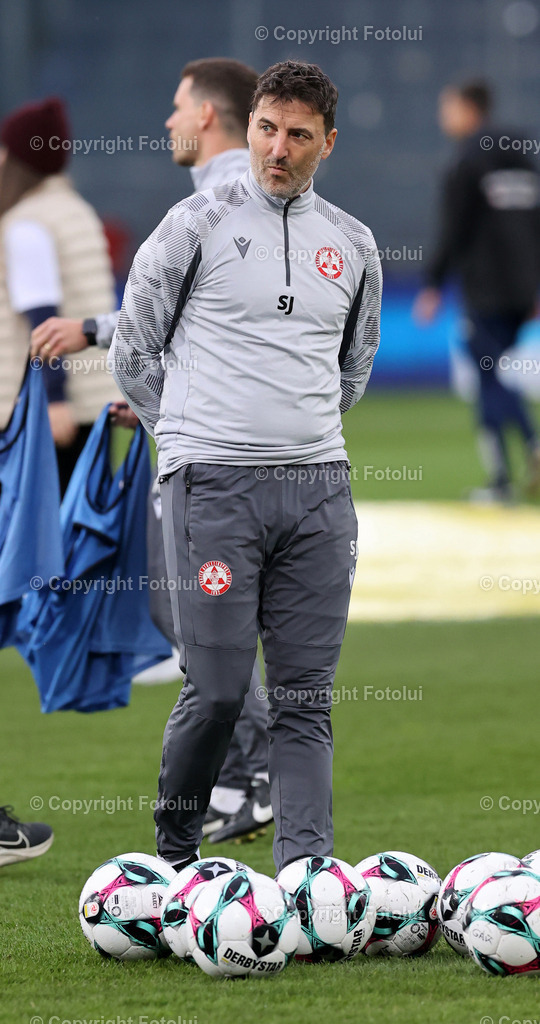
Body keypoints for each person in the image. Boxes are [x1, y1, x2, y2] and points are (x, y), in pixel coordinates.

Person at [109, 59, 382, 873]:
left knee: (304, 703)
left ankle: (305, 880)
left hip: (318, 495)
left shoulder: (357, 244)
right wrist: (190, 439)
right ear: (251, 124)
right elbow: (133, 350)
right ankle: (173, 863)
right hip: (213, 489)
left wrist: (297, 441)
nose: (278, 148)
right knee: (220, 691)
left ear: (326, 143)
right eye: (267, 127)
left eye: (299, 135)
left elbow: (352, 371)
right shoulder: (193, 224)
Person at [31, 59, 272, 843]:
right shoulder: (252, 199)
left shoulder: (218, 198)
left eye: (177, 107)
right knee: (199, 614)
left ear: (208, 116)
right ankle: (252, 778)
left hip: (214, 456)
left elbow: (181, 310)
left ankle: (252, 777)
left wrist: (100, 337)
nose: (168, 120)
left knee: (200, 616)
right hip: (236, 441)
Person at [414, 79, 540, 502]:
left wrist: (432, 285)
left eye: (447, 107)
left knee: (486, 373)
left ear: (469, 109)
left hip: (486, 287)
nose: (443, 116)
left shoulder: (466, 160)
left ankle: (508, 472)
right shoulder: (522, 156)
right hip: (524, 289)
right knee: (493, 368)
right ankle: (520, 460)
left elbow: (455, 229)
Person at [0, 96, 119, 494]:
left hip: (51, 413)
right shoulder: (75, 210)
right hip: (93, 400)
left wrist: (53, 400)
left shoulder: (27, 223)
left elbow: (43, 315)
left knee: (39, 539)